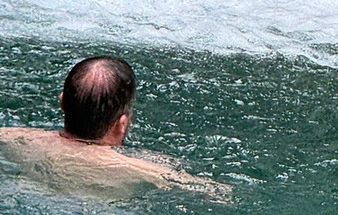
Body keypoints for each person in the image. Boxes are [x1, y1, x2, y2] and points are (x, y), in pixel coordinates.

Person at [0, 56, 229, 200]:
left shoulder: (18, 138)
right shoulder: (137, 167)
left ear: (62, 102)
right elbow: (216, 193)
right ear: (122, 124)